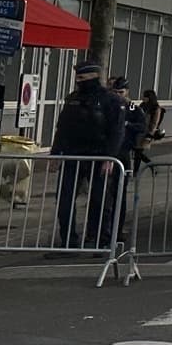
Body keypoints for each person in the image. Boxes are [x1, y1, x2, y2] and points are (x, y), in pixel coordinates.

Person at [50, 61, 127, 249]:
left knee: (101, 200)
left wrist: (110, 157)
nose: (79, 82)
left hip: (99, 156)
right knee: (65, 199)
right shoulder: (73, 99)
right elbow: (63, 127)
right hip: (73, 155)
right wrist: (55, 153)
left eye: (82, 78)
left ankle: (102, 241)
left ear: (93, 77)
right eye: (77, 78)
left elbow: (116, 131)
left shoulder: (110, 100)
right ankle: (69, 241)